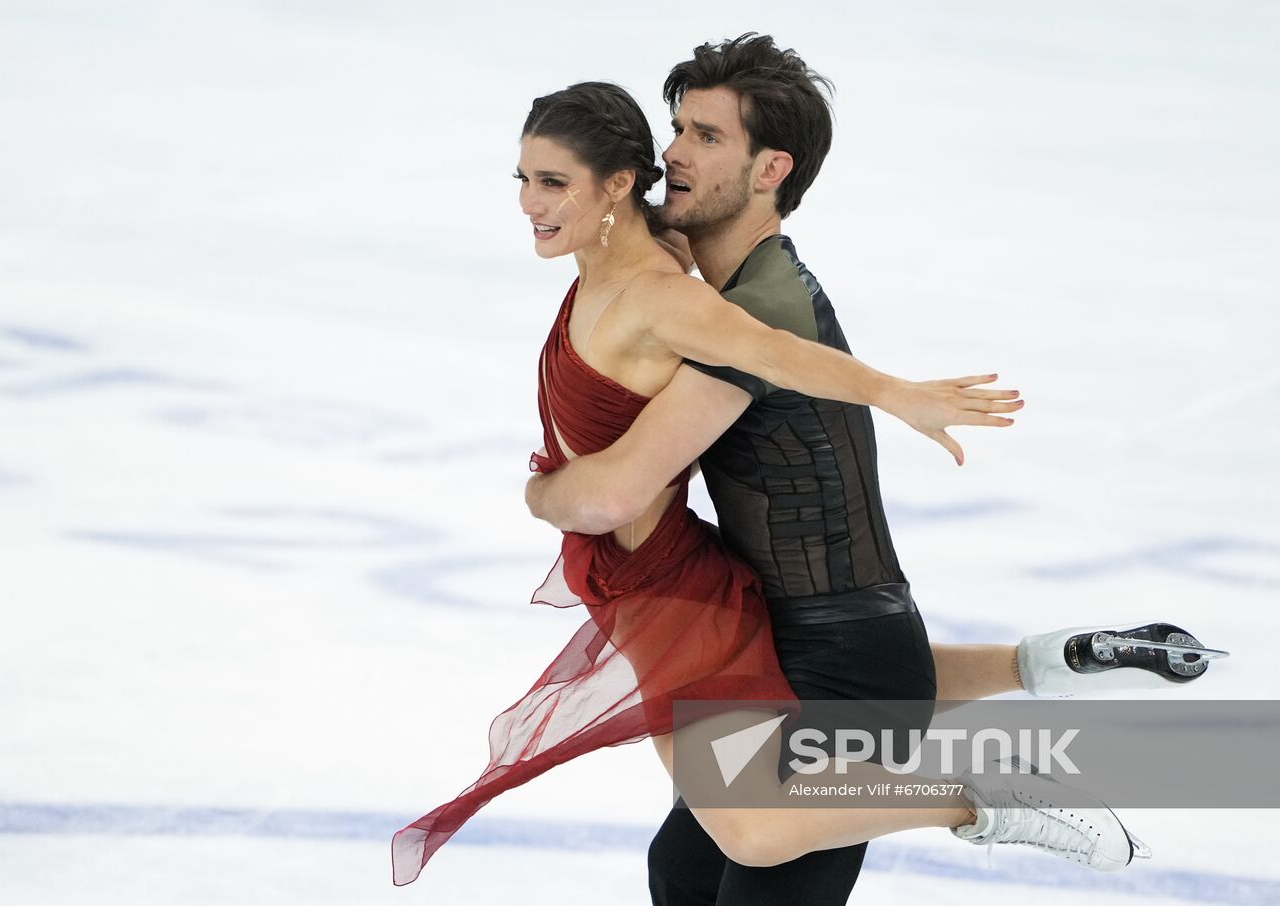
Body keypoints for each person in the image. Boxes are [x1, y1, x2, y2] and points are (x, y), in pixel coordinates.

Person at [520, 37, 1221, 905]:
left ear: (771, 167)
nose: (672, 154)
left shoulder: (749, 313)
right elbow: (622, 228)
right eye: (674, 129)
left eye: (703, 136)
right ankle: (1047, 662)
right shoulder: (716, 275)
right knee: (684, 867)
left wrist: (541, 488)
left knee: (752, 845)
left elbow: (620, 486)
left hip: (840, 654)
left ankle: (994, 791)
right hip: (793, 625)